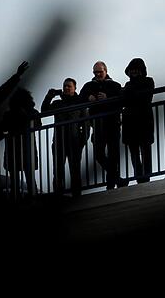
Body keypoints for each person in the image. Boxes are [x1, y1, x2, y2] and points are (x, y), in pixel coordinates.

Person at [79, 61, 124, 189]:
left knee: (113, 155)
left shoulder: (115, 85)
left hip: (113, 124)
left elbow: (121, 101)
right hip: (98, 125)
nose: (98, 74)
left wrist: (107, 97)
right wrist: (89, 98)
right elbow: (80, 98)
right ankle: (117, 179)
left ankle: (111, 185)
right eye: (95, 72)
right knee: (99, 155)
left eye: (100, 72)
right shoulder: (88, 86)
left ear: (106, 71)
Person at [42, 78, 88, 196]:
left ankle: (76, 196)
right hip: (58, 141)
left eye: (69, 86)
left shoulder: (80, 102)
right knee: (58, 171)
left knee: (75, 171)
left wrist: (83, 140)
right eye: (65, 86)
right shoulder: (57, 103)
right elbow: (44, 111)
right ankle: (58, 196)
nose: (66, 88)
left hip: (75, 142)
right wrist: (49, 96)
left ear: (74, 88)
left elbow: (86, 124)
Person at [1, 88, 40, 198]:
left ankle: (16, 201)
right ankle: (33, 199)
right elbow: (39, 124)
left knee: (15, 181)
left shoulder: (9, 114)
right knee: (30, 178)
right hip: (27, 149)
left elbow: (3, 127)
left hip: (13, 150)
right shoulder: (32, 112)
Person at [122, 58, 155, 184]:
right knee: (134, 153)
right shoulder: (128, 85)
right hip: (130, 123)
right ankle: (139, 177)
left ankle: (145, 177)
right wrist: (130, 95)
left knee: (145, 151)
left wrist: (129, 95)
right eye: (132, 70)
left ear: (141, 70)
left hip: (144, 122)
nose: (134, 72)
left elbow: (146, 98)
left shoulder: (148, 81)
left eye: (136, 69)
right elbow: (124, 101)